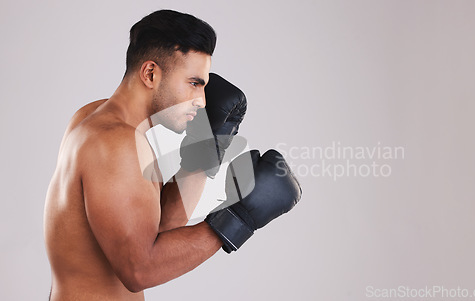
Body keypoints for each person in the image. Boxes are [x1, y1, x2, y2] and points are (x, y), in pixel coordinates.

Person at [44, 9, 301, 301]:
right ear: (151, 73)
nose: (202, 101)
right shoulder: (114, 143)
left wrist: (204, 154)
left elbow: (156, 224)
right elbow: (138, 270)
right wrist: (236, 220)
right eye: (194, 83)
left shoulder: (96, 118)